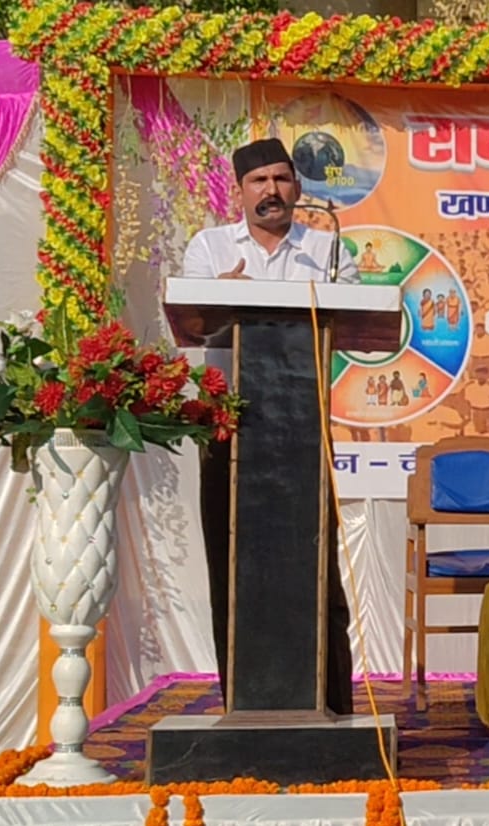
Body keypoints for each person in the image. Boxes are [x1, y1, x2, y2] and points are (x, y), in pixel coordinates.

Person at [181, 137, 358, 716]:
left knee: (315, 566)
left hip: (302, 430)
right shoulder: (209, 248)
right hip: (231, 428)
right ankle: (242, 699)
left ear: (298, 188)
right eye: (259, 182)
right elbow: (191, 321)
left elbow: (358, 320)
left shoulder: (327, 250)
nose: (272, 192)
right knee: (232, 567)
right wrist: (222, 298)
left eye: (282, 180)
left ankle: (328, 700)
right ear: (240, 192)